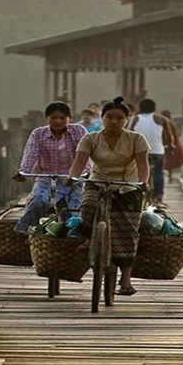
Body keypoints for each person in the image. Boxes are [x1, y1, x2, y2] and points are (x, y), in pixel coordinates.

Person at [66, 97, 150, 296]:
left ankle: (126, 279)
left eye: (119, 118)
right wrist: (72, 177)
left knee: (128, 233)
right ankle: (89, 238)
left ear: (126, 120)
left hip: (127, 186)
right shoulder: (90, 138)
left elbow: (143, 165)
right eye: (110, 117)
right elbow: (79, 163)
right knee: (87, 205)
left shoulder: (137, 139)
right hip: (99, 182)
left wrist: (144, 182)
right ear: (102, 118)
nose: (114, 121)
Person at [12, 101, 89, 234]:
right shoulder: (38, 134)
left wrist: (80, 174)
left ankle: (75, 237)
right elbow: (31, 154)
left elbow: (85, 154)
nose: (58, 121)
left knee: (75, 210)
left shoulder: (78, 131)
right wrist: (23, 172)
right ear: (47, 118)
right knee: (38, 202)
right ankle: (24, 233)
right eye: (54, 118)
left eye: (62, 118)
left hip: (73, 177)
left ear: (69, 118)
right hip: (46, 177)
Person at [129, 98, 174, 206]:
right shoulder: (162, 119)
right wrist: (170, 145)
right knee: (158, 172)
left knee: (138, 173)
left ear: (140, 108)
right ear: (154, 108)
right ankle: (159, 198)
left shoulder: (135, 119)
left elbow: (129, 132)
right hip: (157, 151)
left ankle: (137, 195)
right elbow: (168, 135)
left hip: (139, 151)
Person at [160, 110, 183, 183]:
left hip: (164, 144)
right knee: (169, 163)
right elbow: (175, 136)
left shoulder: (162, 123)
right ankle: (169, 178)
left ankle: (166, 178)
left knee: (164, 163)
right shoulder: (170, 124)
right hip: (170, 145)